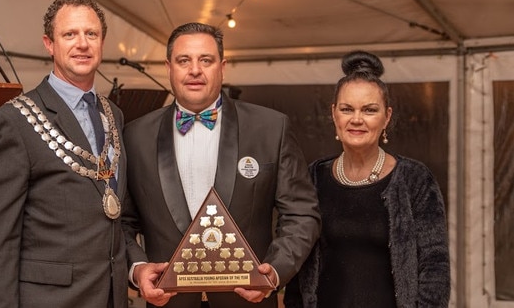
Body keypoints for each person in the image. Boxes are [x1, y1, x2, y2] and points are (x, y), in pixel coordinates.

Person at [121, 22, 321, 308]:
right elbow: (122, 223)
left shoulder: (270, 128)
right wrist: (137, 268)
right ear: (168, 68)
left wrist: (273, 272)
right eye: (183, 60)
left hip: (248, 301)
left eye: (206, 60)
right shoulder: (135, 135)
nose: (194, 70)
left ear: (222, 66)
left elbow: (302, 214)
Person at [0, 0, 128, 308]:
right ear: (49, 44)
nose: (82, 44)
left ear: (102, 42)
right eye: (69, 34)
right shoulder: (14, 120)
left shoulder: (114, 114)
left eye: (91, 34)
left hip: (111, 297)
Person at [283, 50, 451, 308]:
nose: (357, 119)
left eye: (369, 110)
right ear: (334, 114)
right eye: (347, 109)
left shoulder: (414, 179)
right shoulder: (314, 176)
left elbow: (435, 267)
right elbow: (299, 262)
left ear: (387, 116)